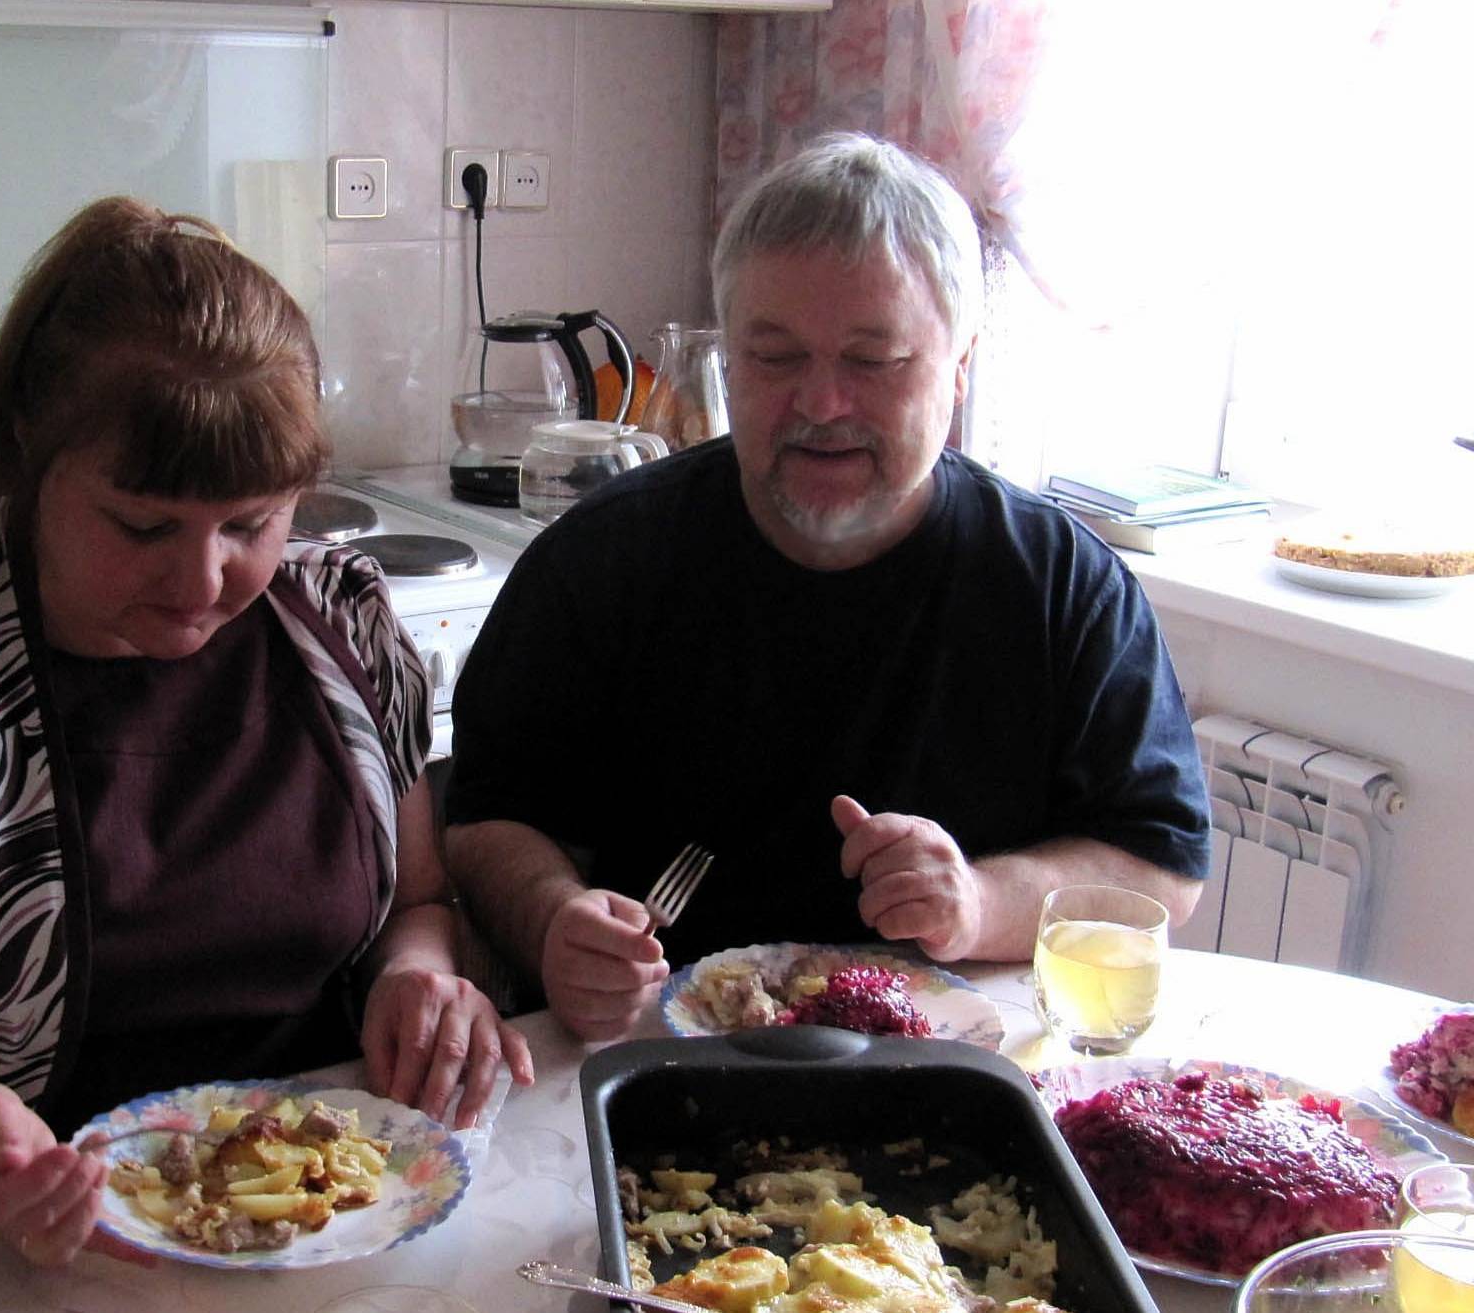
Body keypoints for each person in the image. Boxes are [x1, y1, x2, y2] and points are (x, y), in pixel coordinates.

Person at [0, 197, 532, 1311]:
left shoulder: (343, 615)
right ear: (26, 461)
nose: (203, 582)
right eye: (143, 527)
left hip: (302, 1232)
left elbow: (417, 901)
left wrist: (421, 979)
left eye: (250, 523)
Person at [441, 133, 1211, 1042]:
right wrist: (554, 921)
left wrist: (979, 900)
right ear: (728, 361)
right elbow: (487, 819)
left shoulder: (1059, 585)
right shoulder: (603, 561)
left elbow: (1159, 866)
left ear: (960, 366)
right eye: (775, 357)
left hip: (956, 1073)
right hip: (661, 1061)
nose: (821, 404)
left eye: (872, 360)